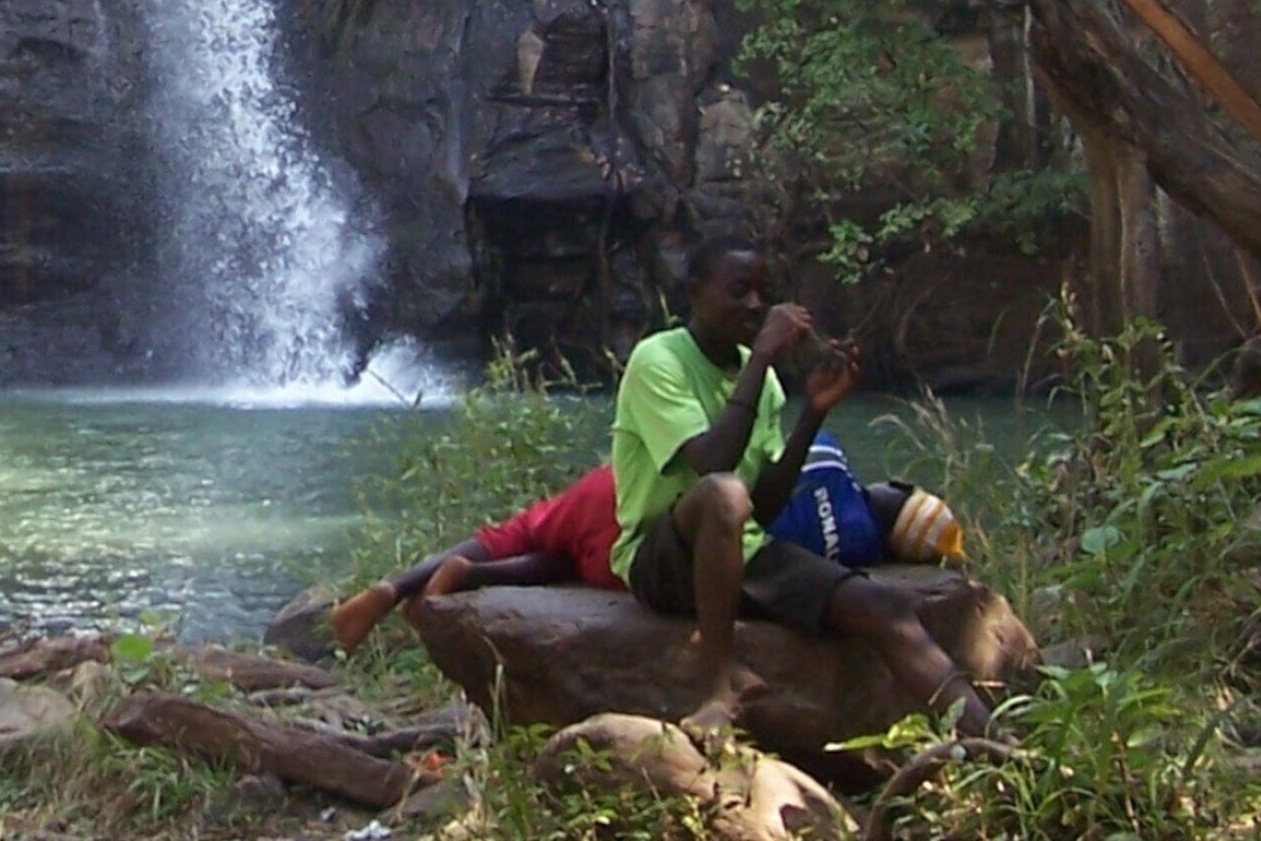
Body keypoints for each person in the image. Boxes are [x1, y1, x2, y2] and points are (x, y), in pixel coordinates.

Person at [610, 228, 999, 737]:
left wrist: (812, 413)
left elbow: (764, 507)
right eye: (737, 290)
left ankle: (994, 744)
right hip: (661, 558)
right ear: (695, 293)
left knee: (884, 607)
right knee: (723, 493)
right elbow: (714, 463)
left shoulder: (762, 380)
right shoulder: (658, 360)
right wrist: (767, 356)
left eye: (761, 293)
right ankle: (717, 685)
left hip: (738, 550)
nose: (754, 305)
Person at [328, 463, 623, 650]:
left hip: (610, 485)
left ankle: (396, 587)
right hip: (638, 520)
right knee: (576, 564)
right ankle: (471, 575)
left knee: (517, 531)